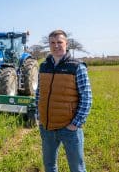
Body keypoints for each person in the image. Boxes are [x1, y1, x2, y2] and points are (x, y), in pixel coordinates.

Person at [36, 29, 92, 172]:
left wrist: (75, 124)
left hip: (69, 128)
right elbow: (39, 94)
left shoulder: (77, 67)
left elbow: (86, 98)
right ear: (49, 45)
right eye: (52, 43)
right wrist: (39, 116)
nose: (56, 46)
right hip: (47, 127)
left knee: (77, 168)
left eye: (59, 42)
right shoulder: (43, 66)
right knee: (49, 166)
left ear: (66, 44)